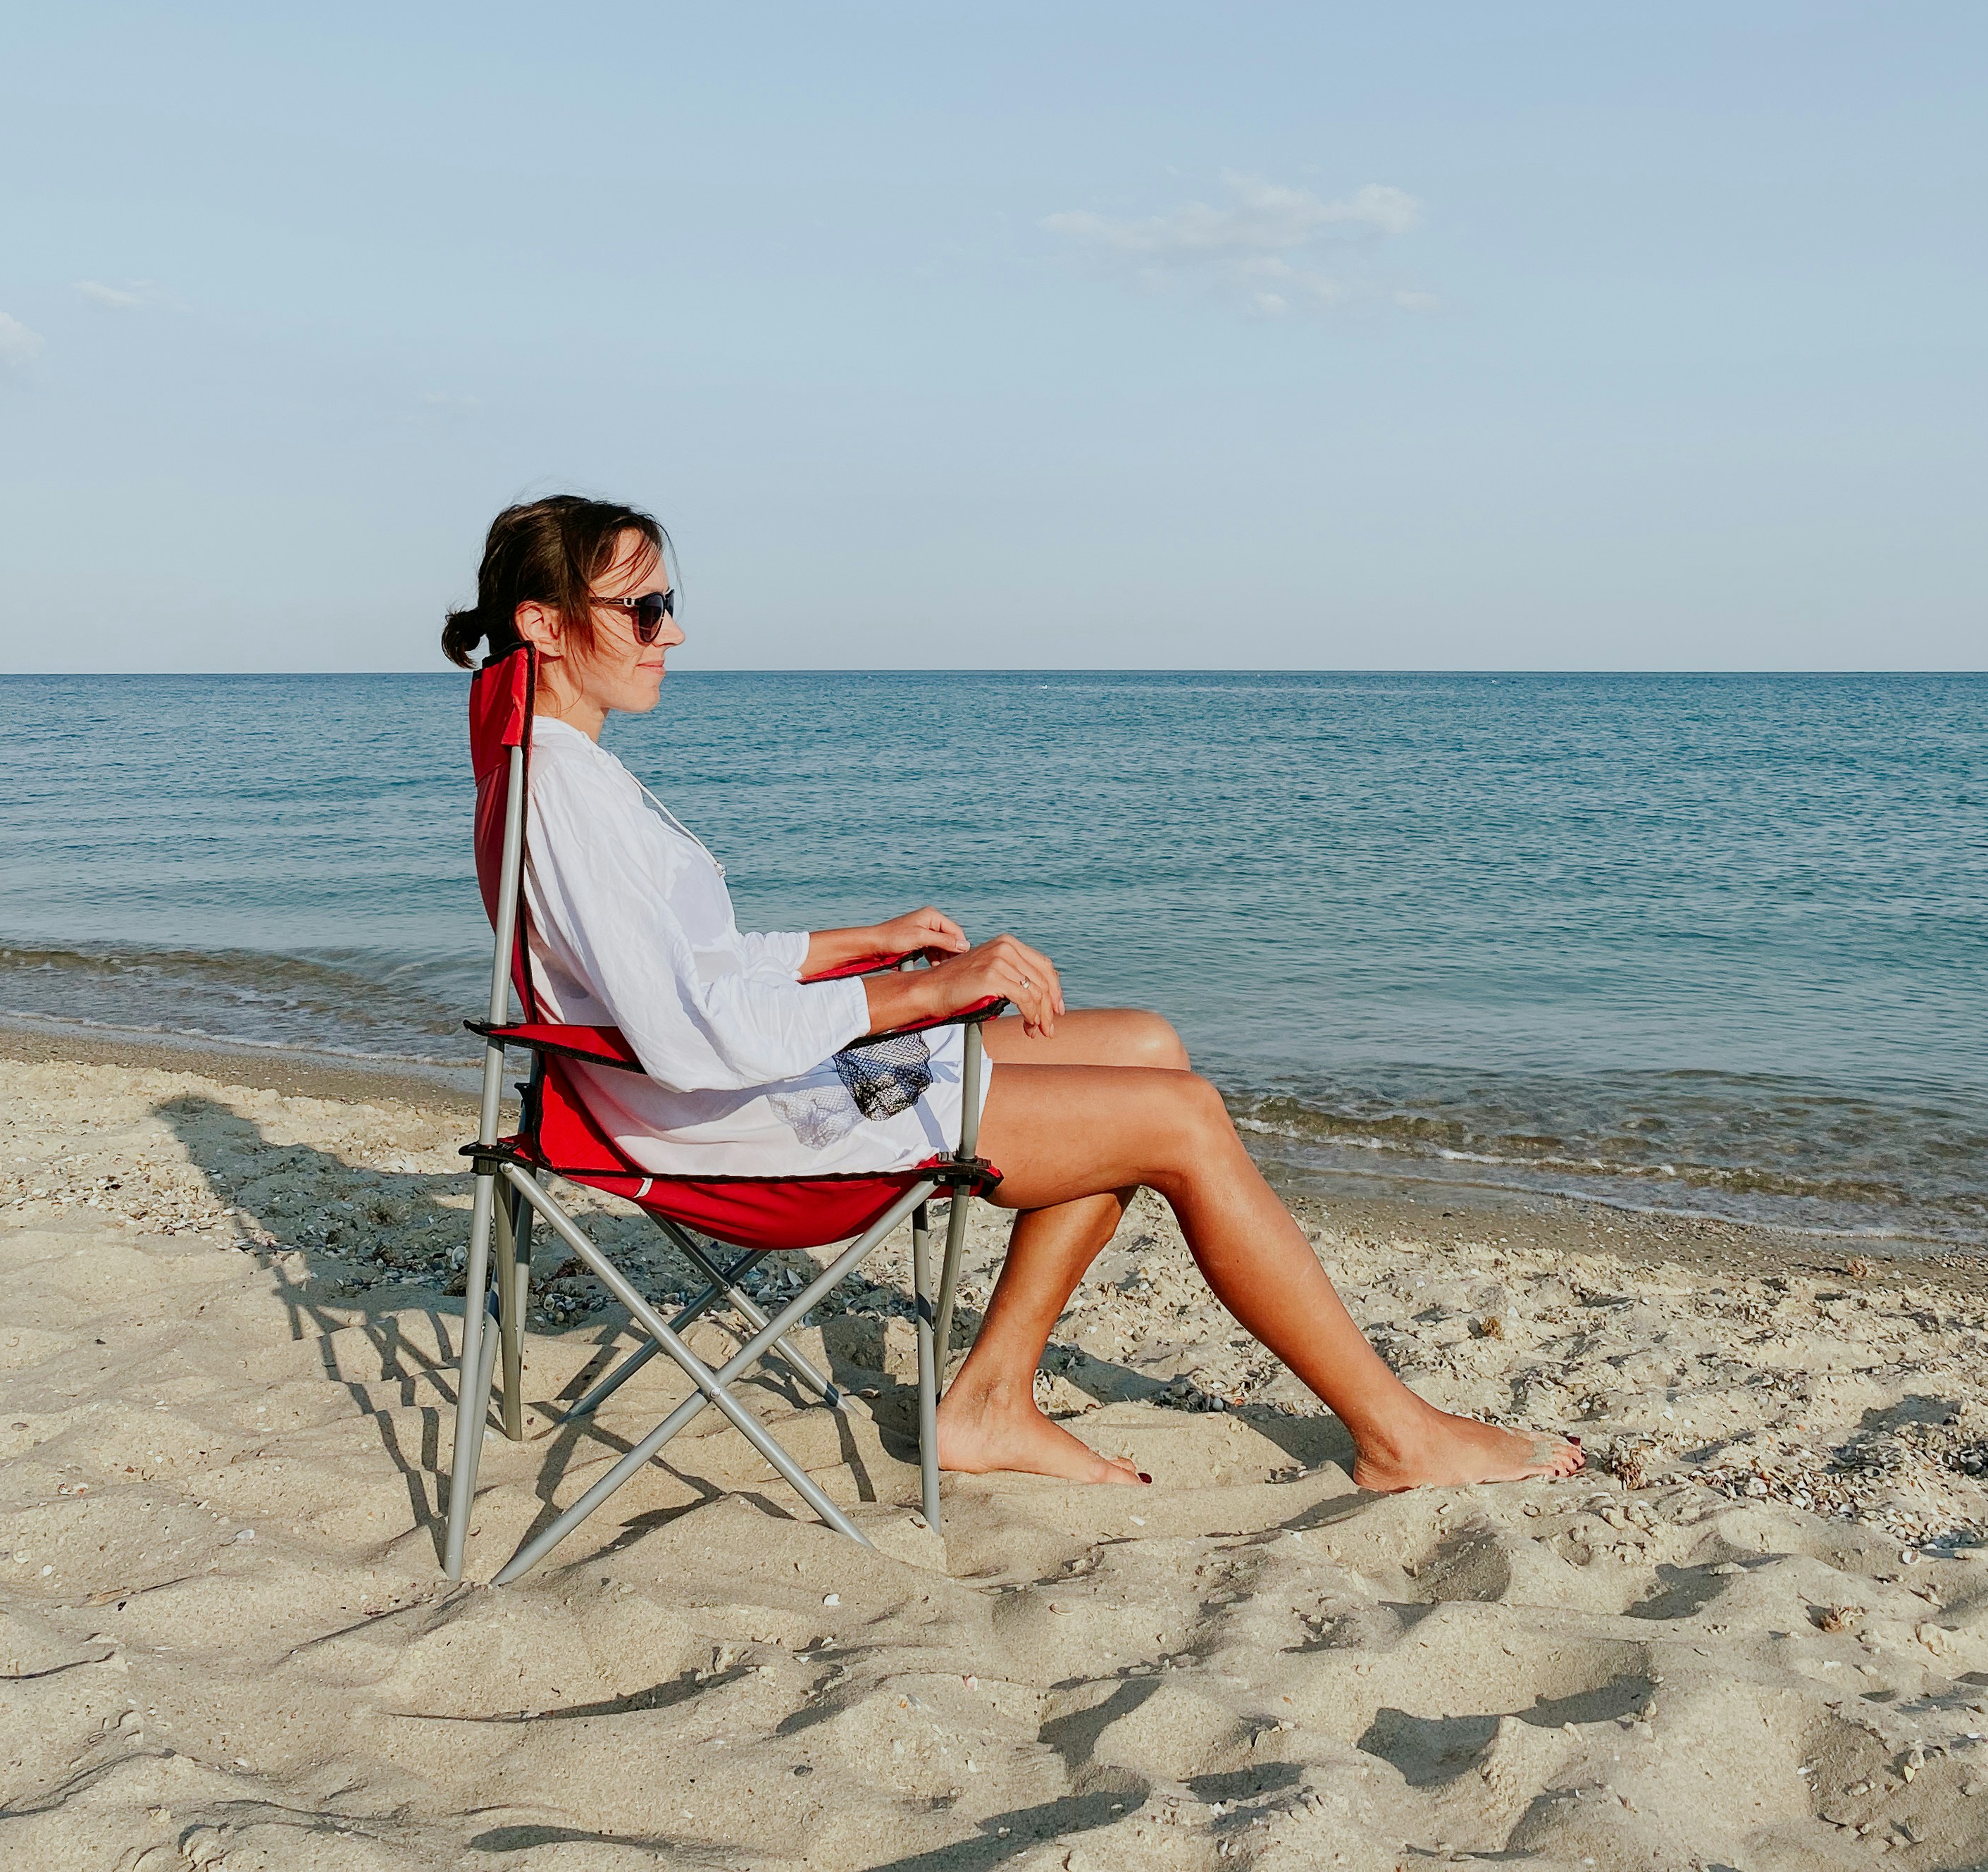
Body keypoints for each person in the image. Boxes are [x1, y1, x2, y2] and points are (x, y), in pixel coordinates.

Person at [442, 495, 1584, 1495]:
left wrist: (868, 944)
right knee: (1180, 1117)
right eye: (641, 610)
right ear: (546, 624)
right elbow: (695, 1032)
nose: (671, 631)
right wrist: (925, 993)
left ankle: (990, 1398)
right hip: (742, 1118)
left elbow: (695, 964)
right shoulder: (568, 797)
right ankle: (1397, 1433)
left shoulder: (565, 770)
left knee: (1146, 1044)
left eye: (666, 602)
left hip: (739, 1082)